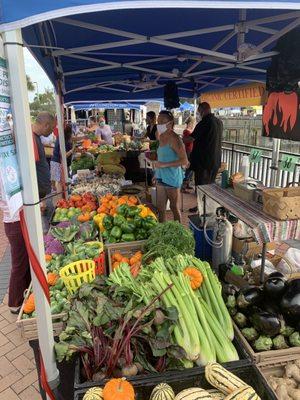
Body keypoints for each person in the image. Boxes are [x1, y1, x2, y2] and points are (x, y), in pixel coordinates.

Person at [185, 102, 223, 212]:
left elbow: (191, 139)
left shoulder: (204, 122)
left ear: (203, 110)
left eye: (199, 111)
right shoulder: (219, 122)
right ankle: (207, 208)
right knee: (210, 186)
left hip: (203, 162)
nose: (199, 114)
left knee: (201, 187)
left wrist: (178, 140)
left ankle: (202, 209)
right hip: (215, 161)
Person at [153, 110, 188, 222]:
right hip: (160, 177)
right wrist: (156, 173)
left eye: (162, 121)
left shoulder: (175, 139)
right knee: (160, 208)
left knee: (174, 207)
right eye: (158, 121)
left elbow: (184, 161)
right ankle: (162, 231)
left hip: (172, 178)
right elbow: (161, 156)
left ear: (171, 123)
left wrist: (164, 165)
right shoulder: (160, 136)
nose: (159, 124)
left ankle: (179, 231)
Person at [50, 124, 74, 190]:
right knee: (60, 183)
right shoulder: (63, 141)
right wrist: (72, 150)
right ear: (69, 133)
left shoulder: (61, 137)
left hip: (57, 161)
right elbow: (63, 156)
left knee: (57, 180)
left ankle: (56, 190)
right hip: (58, 162)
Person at [182, 116, 195, 192]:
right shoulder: (186, 131)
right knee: (189, 168)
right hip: (188, 151)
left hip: (190, 151)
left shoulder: (188, 131)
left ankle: (186, 184)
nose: (193, 124)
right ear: (190, 123)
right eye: (193, 123)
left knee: (190, 168)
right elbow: (187, 141)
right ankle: (183, 186)